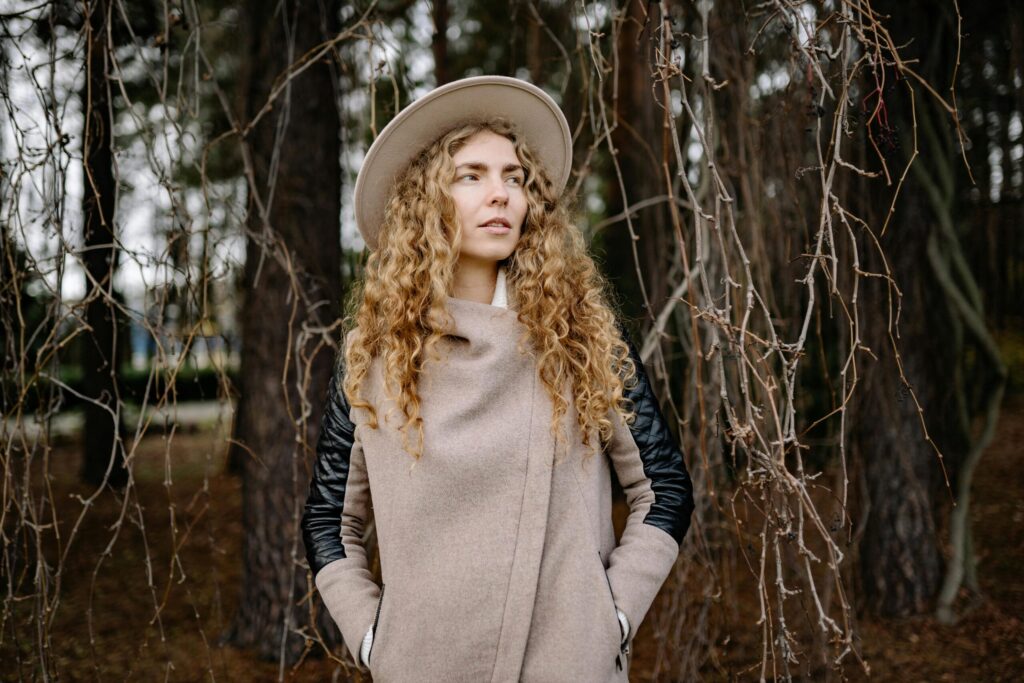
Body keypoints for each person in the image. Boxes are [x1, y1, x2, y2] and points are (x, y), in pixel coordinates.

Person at [300, 75, 695, 682]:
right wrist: (377, 641)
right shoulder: (373, 359)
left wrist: (608, 619)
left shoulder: (583, 339)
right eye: (472, 175)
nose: (501, 194)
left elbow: (663, 486)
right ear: (423, 202)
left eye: (514, 178)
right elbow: (331, 519)